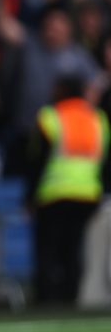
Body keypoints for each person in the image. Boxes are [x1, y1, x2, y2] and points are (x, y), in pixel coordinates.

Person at [26, 73, 111, 305]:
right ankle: (71, 299)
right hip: (88, 195)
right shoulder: (98, 119)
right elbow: (105, 162)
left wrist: (29, 196)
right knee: (74, 250)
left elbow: (36, 160)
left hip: (53, 193)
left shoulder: (50, 117)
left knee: (48, 251)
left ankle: (46, 300)